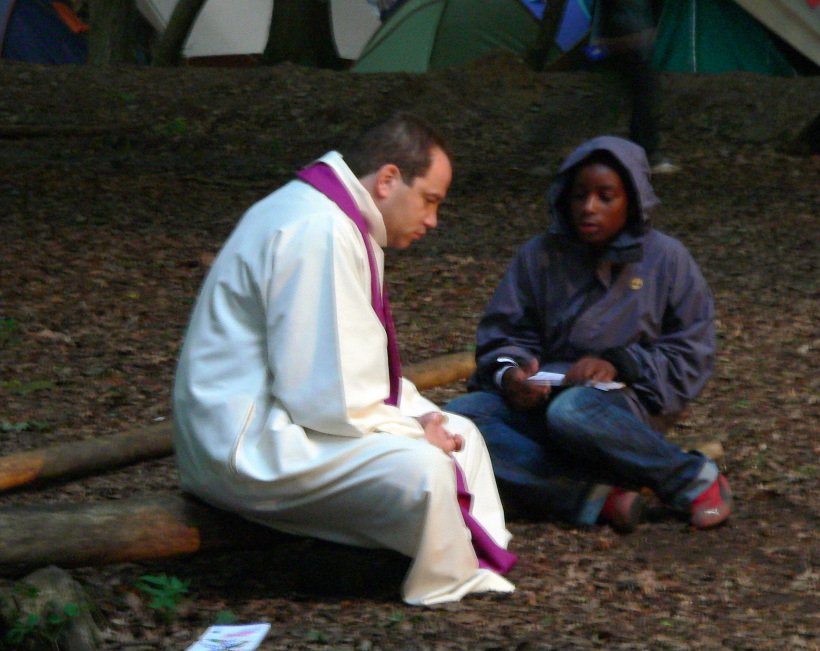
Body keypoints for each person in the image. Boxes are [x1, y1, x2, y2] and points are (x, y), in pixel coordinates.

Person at [173, 113, 516, 606]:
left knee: (465, 437)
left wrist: (421, 414)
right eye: (430, 201)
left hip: (282, 419)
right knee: (425, 468)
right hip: (244, 444)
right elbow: (325, 396)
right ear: (388, 180)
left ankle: (456, 555)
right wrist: (412, 429)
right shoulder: (321, 228)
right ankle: (429, 564)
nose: (433, 221)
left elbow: (351, 370)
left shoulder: (334, 217)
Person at [444, 136, 731, 532]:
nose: (588, 208)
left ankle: (692, 478)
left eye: (605, 197)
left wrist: (619, 364)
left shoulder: (666, 259)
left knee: (574, 410)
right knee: (457, 420)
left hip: (626, 403)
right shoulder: (539, 256)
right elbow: (504, 334)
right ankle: (592, 496)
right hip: (543, 399)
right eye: (579, 196)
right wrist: (512, 375)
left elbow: (692, 352)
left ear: (631, 200)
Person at [586, 0, 676, 174]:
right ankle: (648, 153)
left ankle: (641, 152)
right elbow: (603, 36)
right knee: (645, 87)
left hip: (629, 47)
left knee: (645, 86)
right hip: (614, 48)